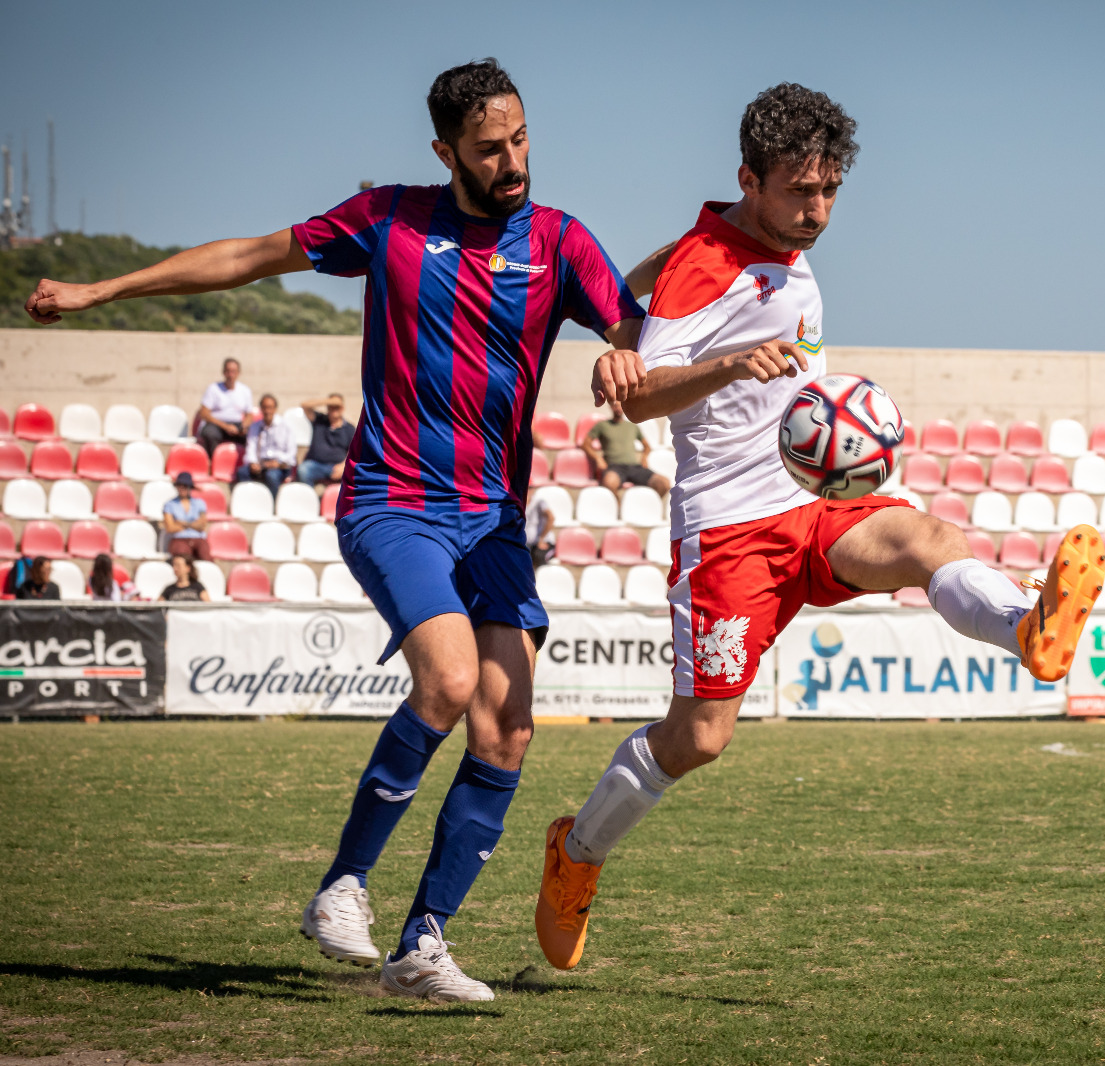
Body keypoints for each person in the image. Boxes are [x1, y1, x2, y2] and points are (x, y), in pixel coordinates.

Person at [26, 59, 645, 1003]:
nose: (514, 160)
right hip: (392, 503)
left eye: (521, 138)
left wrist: (628, 356)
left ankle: (423, 945)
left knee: (509, 726)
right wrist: (100, 292)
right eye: (490, 147)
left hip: (491, 524)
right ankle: (343, 886)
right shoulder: (391, 219)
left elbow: (636, 332)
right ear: (446, 152)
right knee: (448, 678)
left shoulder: (559, 241)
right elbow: (248, 257)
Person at [538, 84, 1105, 972]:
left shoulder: (771, 243)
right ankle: (575, 855)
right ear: (748, 180)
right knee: (699, 740)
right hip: (727, 530)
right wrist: (722, 363)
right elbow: (640, 396)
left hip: (817, 501)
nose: (819, 211)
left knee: (929, 542)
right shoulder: (704, 268)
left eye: (830, 190)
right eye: (801, 192)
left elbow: (648, 273)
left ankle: (1026, 630)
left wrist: (625, 291)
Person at [585, 399, 670, 497]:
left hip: (634, 467)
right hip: (614, 468)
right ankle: (620, 509)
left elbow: (647, 446)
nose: (618, 408)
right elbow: (585, 444)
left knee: (664, 483)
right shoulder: (602, 425)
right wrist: (597, 458)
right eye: (615, 405)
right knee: (609, 483)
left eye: (620, 405)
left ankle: (646, 509)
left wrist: (644, 458)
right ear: (611, 407)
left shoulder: (632, 426)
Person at [241, 394, 296, 497]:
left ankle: (272, 505)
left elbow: (291, 453)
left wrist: (278, 462)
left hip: (279, 466)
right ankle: (249, 500)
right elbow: (251, 448)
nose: (267, 411)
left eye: (270, 408)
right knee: (242, 472)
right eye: (265, 408)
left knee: (272, 475)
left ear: (275, 409)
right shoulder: (255, 426)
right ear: (261, 409)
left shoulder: (286, 426)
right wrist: (253, 462)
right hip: (261, 464)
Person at [197, 358, 254, 457]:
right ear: (223, 372)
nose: (230, 375)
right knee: (210, 434)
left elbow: (249, 415)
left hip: (236, 424)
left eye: (233, 371)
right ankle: (214, 462)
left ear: (238, 373)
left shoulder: (245, 390)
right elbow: (204, 413)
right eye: (228, 371)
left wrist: (243, 427)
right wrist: (226, 426)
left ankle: (246, 463)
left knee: (252, 434)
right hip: (216, 424)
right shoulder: (213, 389)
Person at [298, 394, 355, 486]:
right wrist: (329, 401)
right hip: (316, 464)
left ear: (342, 408)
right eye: (331, 407)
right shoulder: (320, 420)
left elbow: (354, 451)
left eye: (336, 407)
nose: (333, 409)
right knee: (303, 469)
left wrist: (343, 465)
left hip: (337, 467)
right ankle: (310, 498)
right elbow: (305, 405)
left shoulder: (350, 429)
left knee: (354, 474)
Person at [162, 472, 212, 560]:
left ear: (190, 487)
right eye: (179, 486)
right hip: (179, 539)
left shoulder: (199, 503)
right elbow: (170, 528)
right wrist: (193, 524)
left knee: (206, 557)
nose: (182, 488)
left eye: (185, 486)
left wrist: (182, 523)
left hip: (198, 539)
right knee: (183, 558)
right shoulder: (169, 504)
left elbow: (202, 525)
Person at [526, 491, 555, 568]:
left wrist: (541, 539)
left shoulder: (539, 502)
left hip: (543, 543)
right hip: (528, 544)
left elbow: (551, 518)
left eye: (530, 488)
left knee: (539, 556)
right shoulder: (518, 503)